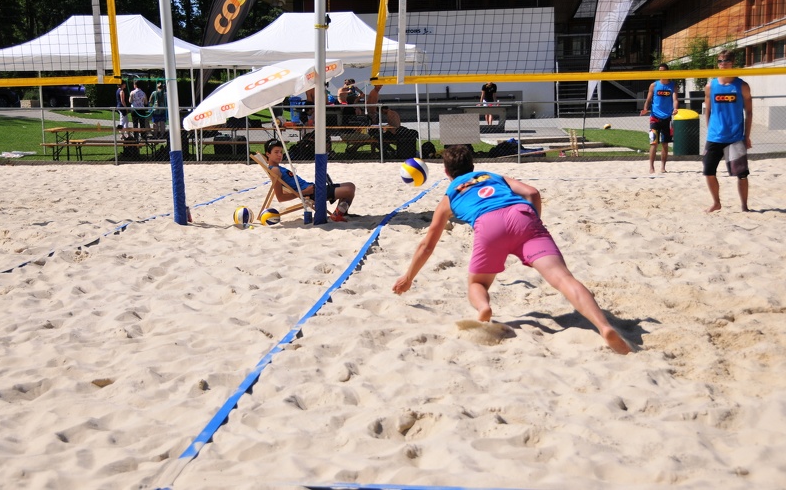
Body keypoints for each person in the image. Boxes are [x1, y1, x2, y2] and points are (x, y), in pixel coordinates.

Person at [392, 145, 631, 355]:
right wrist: (533, 221)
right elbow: (532, 192)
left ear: (446, 173)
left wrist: (409, 277)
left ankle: (484, 307)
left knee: (478, 284)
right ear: (473, 164)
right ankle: (603, 326)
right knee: (563, 278)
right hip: (522, 216)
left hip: (489, 226)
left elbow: (427, 245)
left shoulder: (449, 197)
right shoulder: (493, 176)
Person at [703, 49, 753, 213]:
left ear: (732, 63)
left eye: (726, 61)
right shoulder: (711, 86)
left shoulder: (742, 85)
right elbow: (708, 110)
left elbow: (749, 112)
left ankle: (745, 206)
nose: (723, 64)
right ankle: (716, 202)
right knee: (708, 172)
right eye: (720, 61)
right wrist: (709, 131)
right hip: (715, 136)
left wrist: (747, 136)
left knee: (742, 175)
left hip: (735, 136)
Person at [264, 138, 356, 222]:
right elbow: (280, 198)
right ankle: (337, 215)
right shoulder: (275, 170)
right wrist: (305, 192)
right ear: (268, 154)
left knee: (351, 185)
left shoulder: (278, 168)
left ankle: (340, 213)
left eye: (281, 152)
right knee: (349, 190)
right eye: (276, 152)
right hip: (311, 193)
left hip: (312, 188)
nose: (280, 155)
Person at [641, 64, 678, 173]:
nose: (661, 73)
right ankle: (651, 167)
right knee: (653, 143)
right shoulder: (654, 85)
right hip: (654, 117)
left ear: (667, 72)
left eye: (663, 71)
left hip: (666, 118)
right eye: (659, 71)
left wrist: (675, 108)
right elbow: (648, 99)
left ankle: (663, 167)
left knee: (665, 144)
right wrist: (645, 108)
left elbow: (675, 99)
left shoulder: (672, 85)